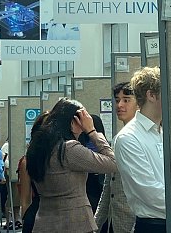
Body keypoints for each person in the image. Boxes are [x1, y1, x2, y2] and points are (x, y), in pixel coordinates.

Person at [26, 98, 116, 233]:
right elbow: (113, 163)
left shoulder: (38, 148)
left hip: (43, 222)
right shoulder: (69, 149)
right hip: (75, 223)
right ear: (73, 121)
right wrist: (92, 132)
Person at [114, 67, 165, 233]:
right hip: (153, 226)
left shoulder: (165, 134)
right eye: (166, 91)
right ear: (151, 95)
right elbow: (150, 193)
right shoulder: (128, 138)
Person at [95, 82, 138, 233]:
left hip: (134, 221)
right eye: (117, 99)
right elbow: (108, 186)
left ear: (138, 103)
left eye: (126, 100)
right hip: (115, 221)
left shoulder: (139, 138)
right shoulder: (119, 138)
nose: (119, 105)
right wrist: (96, 225)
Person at [20, 112, 49, 233]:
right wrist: (26, 219)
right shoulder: (27, 161)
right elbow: (25, 199)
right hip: (37, 213)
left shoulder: (63, 156)